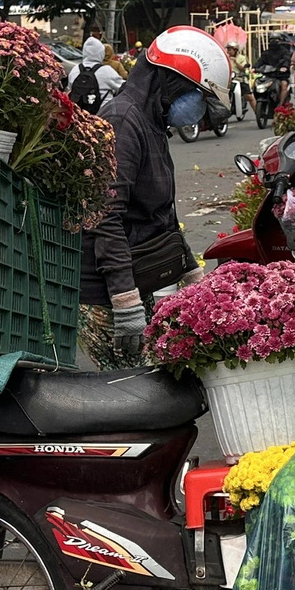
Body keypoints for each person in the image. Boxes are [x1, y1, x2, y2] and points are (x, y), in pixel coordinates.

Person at [82, 27, 230, 366]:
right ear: (171, 81)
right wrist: (125, 301)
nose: (200, 110)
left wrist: (192, 275)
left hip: (138, 279)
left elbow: (161, 214)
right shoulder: (123, 120)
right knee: (132, 395)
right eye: (199, 96)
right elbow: (105, 215)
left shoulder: (151, 121)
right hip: (106, 294)